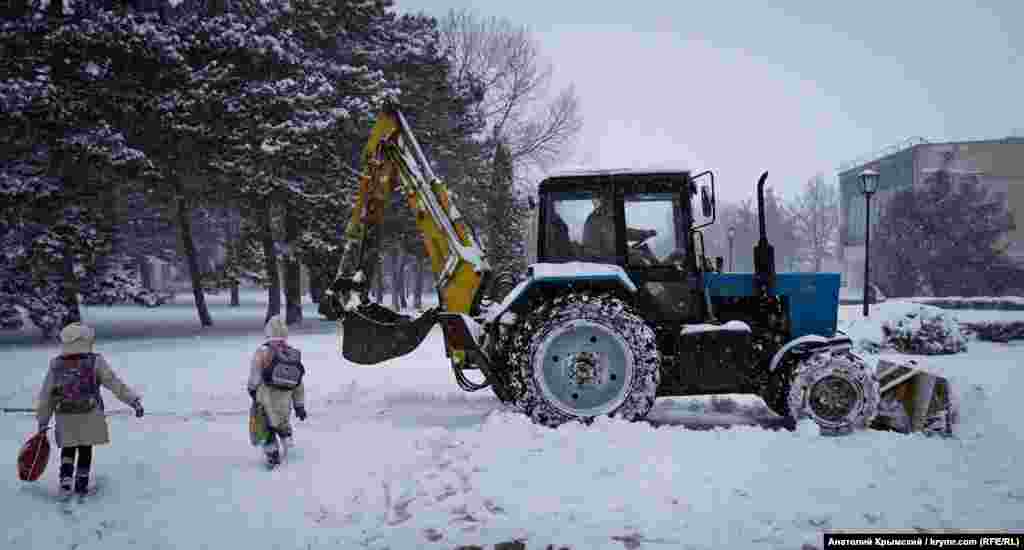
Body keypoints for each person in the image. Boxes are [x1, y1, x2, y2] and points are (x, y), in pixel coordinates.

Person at [36, 322, 144, 498]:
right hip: (90, 412)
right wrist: (133, 401)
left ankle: (65, 479)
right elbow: (114, 383)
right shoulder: (95, 361)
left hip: (65, 414)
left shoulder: (56, 365)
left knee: (68, 447)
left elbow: (47, 394)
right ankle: (81, 480)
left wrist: (43, 421)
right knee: (85, 447)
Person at [248, 315, 307, 467]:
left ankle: (272, 455)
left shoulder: (262, 352)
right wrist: (299, 405)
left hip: (266, 398)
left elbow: (255, 375)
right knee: (283, 423)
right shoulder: (291, 354)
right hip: (285, 400)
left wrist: (252, 390)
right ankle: (288, 441)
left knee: (266, 427)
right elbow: (298, 384)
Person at [582, 197, 657, 259]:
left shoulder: (606, 218)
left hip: (607, 259)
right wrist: (638, 253)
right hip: (602, 262)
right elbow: (613, 247)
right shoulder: (599, 219)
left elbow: (622, 233)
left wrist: (645, 234)